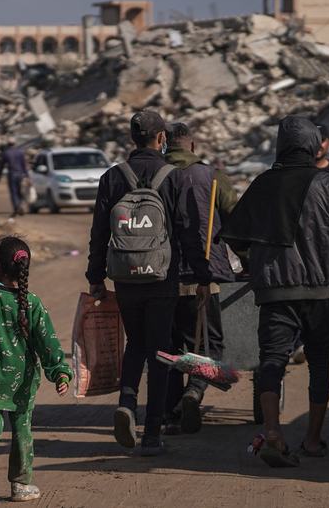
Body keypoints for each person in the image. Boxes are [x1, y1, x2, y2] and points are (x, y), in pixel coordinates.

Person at [221, 115, 329, 468]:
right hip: (319, 292)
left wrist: (253, 258)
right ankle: (313, 439)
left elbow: (235, 235)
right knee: (320, 363)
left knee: (272, 360)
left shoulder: (262, 185)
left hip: (274, 292)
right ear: (313, 145)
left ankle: (272, 432)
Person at [86, 109, 202, 456]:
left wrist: (95, 277)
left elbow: (98, 234)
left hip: (124, 277)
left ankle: (126, 402)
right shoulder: (174, 177)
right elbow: (188, 231)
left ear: (132, 139)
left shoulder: (112, 178)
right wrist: (201, 273)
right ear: (162, 138)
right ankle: (152, 433)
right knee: (162, 349)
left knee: (135, 343)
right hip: (163, 277)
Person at [0, 236, 72, 507]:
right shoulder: (32, 303)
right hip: (22, 381)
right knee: (22, 431)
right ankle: (21, 485)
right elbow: (47, 343)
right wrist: (60, 372)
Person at [162, 123, 237, 435]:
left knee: (169, 348)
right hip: (203, 277)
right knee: (210, 343)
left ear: (165, 143)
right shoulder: (212, 176)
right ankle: (194, 391)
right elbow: (237, 221)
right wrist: (246, 260)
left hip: (160, 278)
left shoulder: (153, 175)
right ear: (191, 146)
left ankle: (171, 413)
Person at [3, 143, 30, 217]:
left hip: (12, 175)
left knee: (14, 192)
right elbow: (24, 165)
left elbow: (1, 165)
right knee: (20, 192)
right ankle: (20, 206)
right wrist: (27, 176)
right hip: (20, 175)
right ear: (15, 144)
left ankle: (17, 207)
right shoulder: (20, 152)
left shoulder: (6, 153)